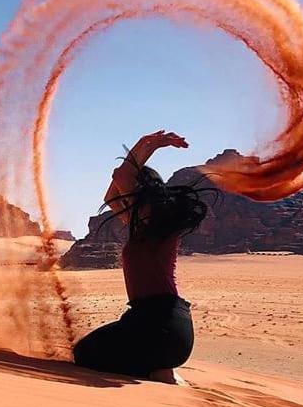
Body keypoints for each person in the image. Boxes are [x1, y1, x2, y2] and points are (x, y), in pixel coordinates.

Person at [72, 130, 215, 385]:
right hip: (164, 326)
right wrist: (142, 151)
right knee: (88, 350)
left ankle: (156, 371)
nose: (125, 198)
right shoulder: (144, 224)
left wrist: (148, 145)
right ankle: (158, 367)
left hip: (158, 324)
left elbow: (121, 176)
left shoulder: (154, 216)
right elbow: (111, 196)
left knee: (85, 354)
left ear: (143, 191)